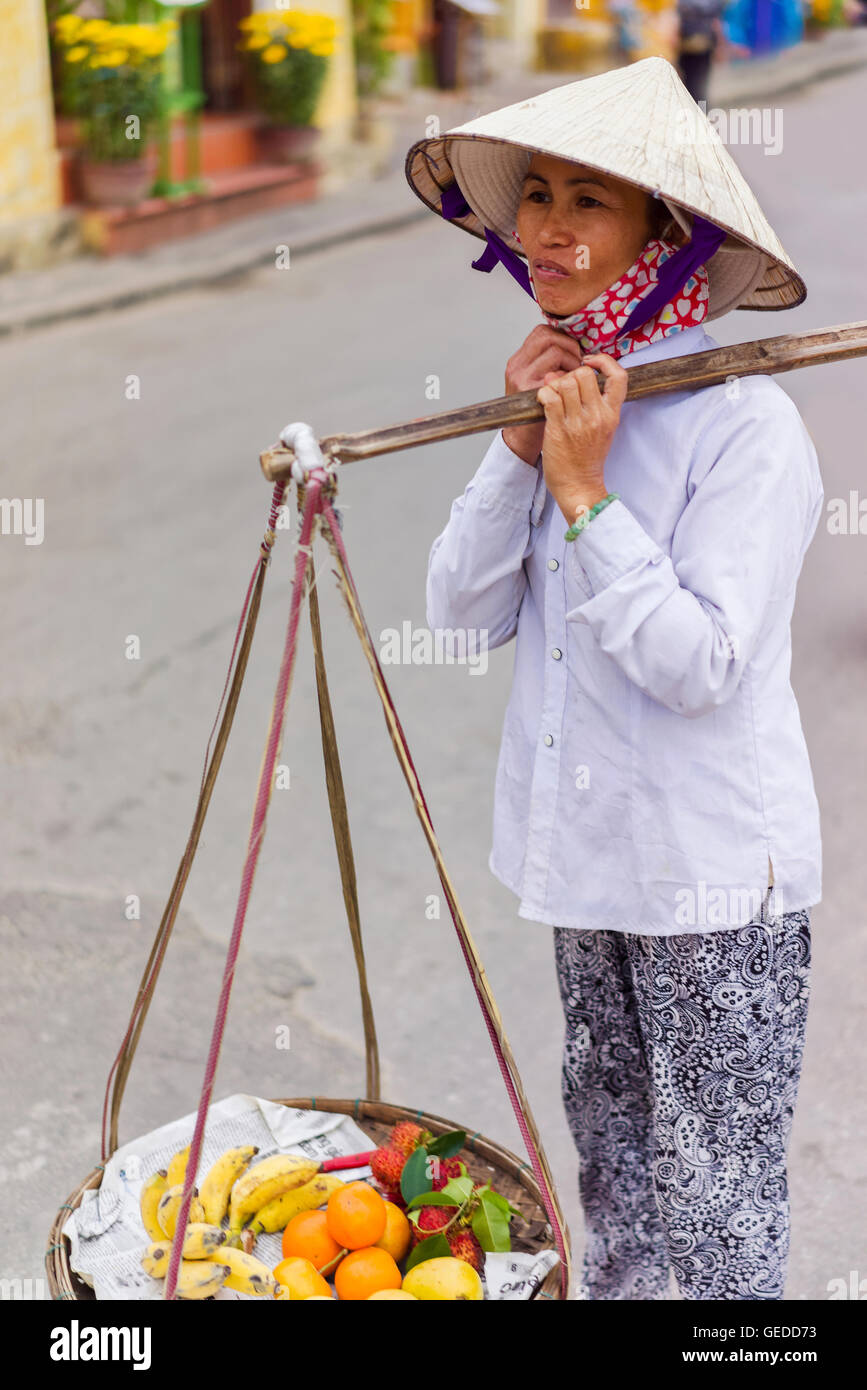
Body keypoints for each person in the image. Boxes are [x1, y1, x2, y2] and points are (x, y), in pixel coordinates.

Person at [405, 56, 822, 1300]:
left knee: (720, 1218)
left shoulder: (746, 427)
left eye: (589, 200)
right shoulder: (564, 399)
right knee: (619, 1181)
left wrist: (588, 496)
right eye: (534, 194)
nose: (545, 228)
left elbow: (701, 664)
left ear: (666, 236)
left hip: (706, 887)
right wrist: (518, 453)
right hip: (589, 868)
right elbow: (457, 611)